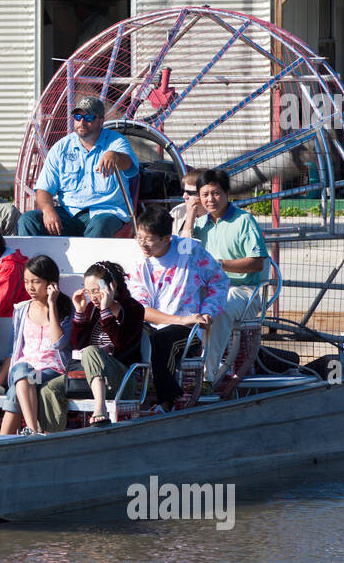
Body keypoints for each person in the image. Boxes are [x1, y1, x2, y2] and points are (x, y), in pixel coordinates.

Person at [127, 204, 229, 411]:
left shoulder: (189, 251)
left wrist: (208, 312)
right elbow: (142, 309)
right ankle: (126, 396)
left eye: (149, 240)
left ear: (166, 238)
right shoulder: (140, 263)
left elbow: (219, 281)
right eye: (139, 238)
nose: (143, 245)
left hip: (188, 329)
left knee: (161, 343)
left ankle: (168, 401)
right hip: (167, 322)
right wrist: (182, 319)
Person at [40, 261, 145, 430]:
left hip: (123, 380)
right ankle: (50, 438)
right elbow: (77, 347)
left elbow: (121, 343)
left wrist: (106, 311)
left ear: (112, 286)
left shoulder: (133, 309)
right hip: (91, 378)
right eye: (89, 292)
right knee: (49, 389)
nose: (93, 297)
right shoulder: (91, 309)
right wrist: (80, 313)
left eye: (96, 291)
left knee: (91, 351)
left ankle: (99, 407)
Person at [18, 94, 139, 238]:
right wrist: (48, 210)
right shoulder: (61, 147)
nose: (82, 122)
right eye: (77, 117)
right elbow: (43, 190)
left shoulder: (117, 142)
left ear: (101, 121)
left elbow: (129, 165)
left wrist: (115, 156)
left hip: (106, 213)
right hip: (69, 214)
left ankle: (92, 262)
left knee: (99, 227)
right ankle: (32, 261)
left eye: (88, 118)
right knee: (28, 220)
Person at [192, 168, 268, 385]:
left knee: (218, 308)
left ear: (227, 193)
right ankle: (179, 373)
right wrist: (189, 214)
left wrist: (220, 264)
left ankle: (207, 379)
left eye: (215, 193)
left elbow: (257, 262)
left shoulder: (244, 220)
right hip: (207, 289)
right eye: (205, 194)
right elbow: (183, 251)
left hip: (244, 291)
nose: (210, 199)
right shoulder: (198, 224)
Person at [0, 254, 72, 436]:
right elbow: (13, 349)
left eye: (36, 281)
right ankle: (32, 430)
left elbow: (59, 343)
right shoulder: (22, 310)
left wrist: (52, 305)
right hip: (22, 371)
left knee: (17, 388)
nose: (30, 287)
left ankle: (2, 445)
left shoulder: (65, 308)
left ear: (51, 283)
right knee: (22, 372)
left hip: (50, 373)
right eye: (26, 281)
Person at [171, 167, 206, 239]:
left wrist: (190, 216)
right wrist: (190, 216)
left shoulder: (217, 217)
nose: (184, 196)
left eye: (190, 193)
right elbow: (181, 248)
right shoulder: (178, 211)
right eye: (183, 191)